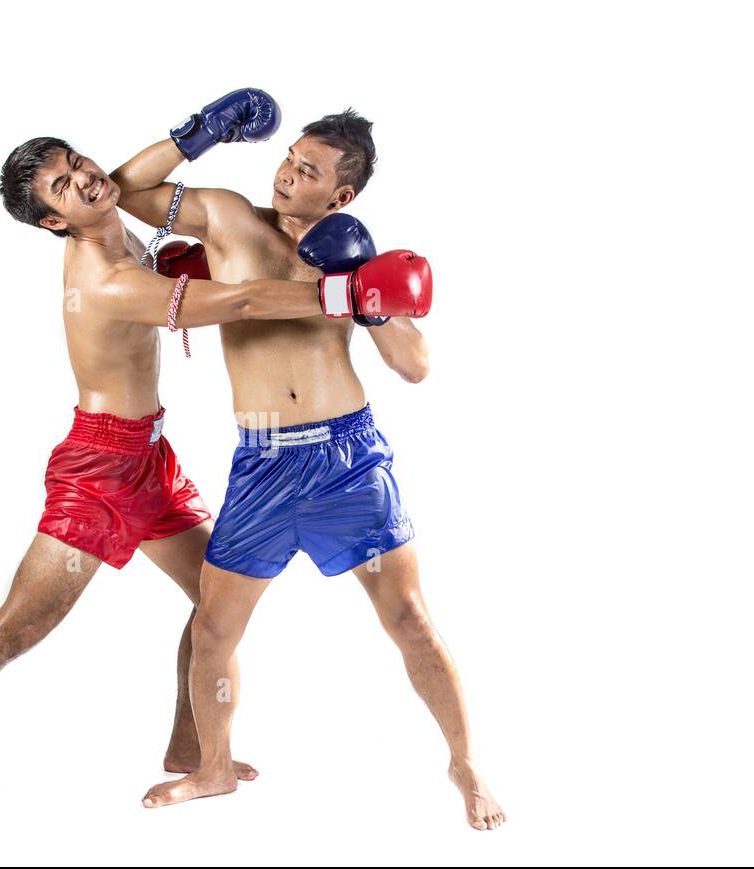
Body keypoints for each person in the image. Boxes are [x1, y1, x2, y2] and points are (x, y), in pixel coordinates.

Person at [0, 99, 431, 822]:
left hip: (148, 457)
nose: (85, 180)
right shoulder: (106, 276)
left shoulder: (122, 232)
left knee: (215, 604)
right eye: (64, 189)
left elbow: (130, 183)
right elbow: (243, 304)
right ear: (53, 223)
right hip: (99, 471)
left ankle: (189, 745)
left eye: (77, 164)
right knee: (22, 624)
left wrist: (196, 133)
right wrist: (348, 293)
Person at [112, 95, 506, 829]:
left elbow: (416, 367)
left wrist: (372, 297)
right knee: (214, 631)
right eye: (288, 159)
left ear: (343, 194)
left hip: (348, 459)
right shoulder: (229, 218)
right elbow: (127, 191)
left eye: (308, 171)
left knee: (410, 620)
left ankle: (466, 764)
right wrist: (197, 136)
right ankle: (215, 768)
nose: (287, 175)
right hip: (261, 463)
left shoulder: (353, 248)